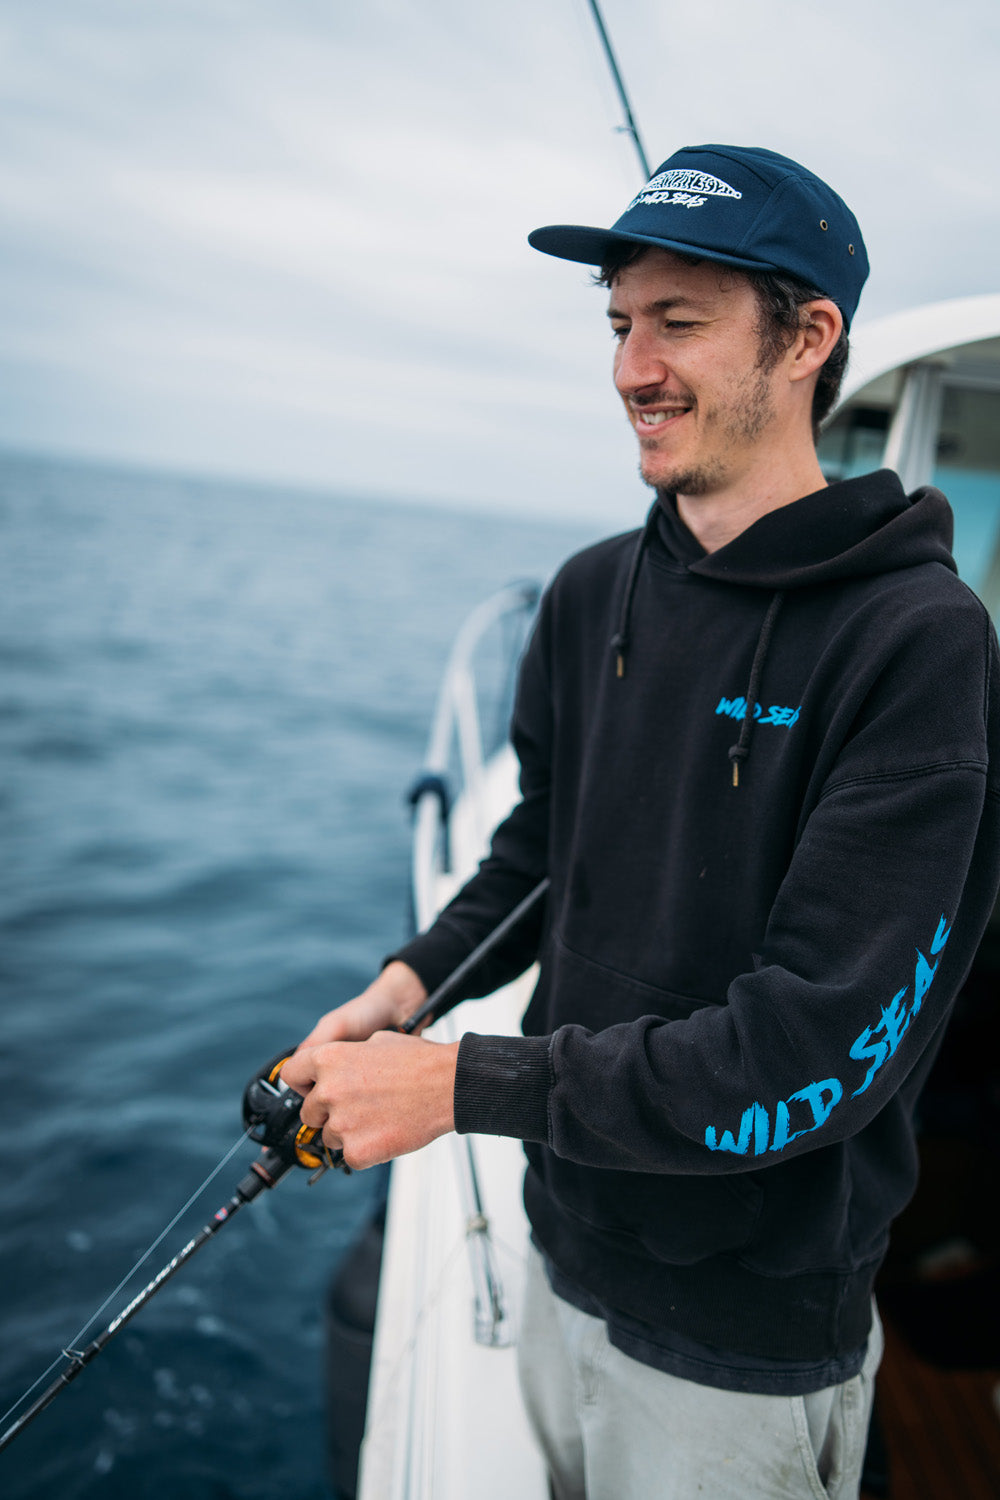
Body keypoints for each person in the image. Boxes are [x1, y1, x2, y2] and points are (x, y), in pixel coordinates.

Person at [281, 145, 1000, 1498]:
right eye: (619, 324)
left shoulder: (917, 642)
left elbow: (811, 1051)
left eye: (678, 321)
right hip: (565, 1232)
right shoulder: (588, 591)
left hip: (742, 1338)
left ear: (808, 339)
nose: (632, 368)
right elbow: (539, 852)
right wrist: (406, 989)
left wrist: (453, 1084)